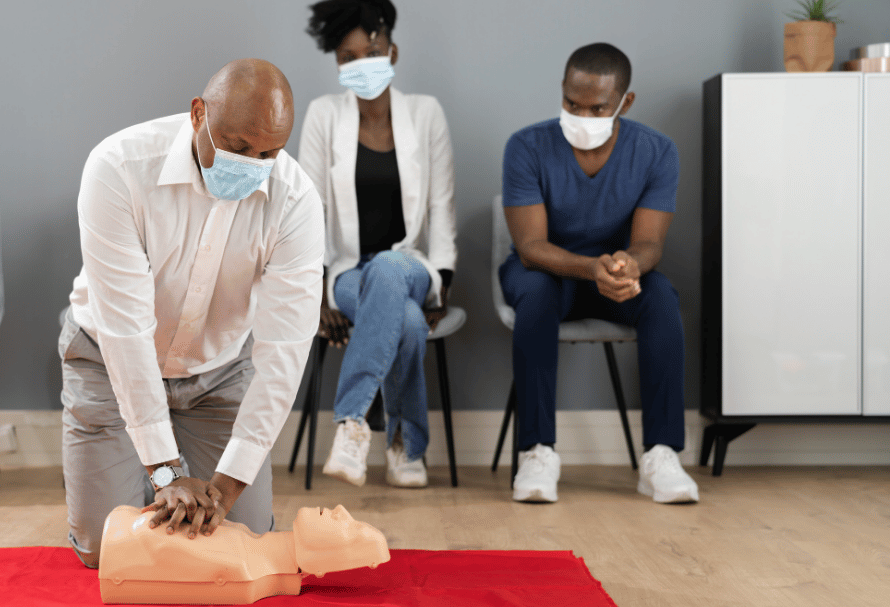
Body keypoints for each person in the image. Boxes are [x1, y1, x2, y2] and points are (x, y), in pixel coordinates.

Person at [60, 59, 324, 568]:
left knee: (244, 539)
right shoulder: (117, 167)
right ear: (198, 114)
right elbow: (125, 330)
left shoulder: (297, 201)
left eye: (269, 153)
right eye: (239, 147)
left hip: (219, 373)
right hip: (107, 361)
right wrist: (164, 471)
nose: (252, 165)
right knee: (102, 551)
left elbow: (285, 352)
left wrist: (227, 485)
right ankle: (129, 466)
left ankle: (161, 470)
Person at [500, 43, 698, 504]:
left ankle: (661, 454)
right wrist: (593, 267)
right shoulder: (526, 146)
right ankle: (537, 450)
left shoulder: (656, 151)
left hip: (612, 275)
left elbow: (650, 243)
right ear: (562, 91)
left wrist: (630, 265)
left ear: (625, 103)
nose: (581, 115)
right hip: (547, 273)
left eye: (597, 108)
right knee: (536, 295)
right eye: (572, 103)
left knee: (662, 299)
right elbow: (530, 248)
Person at [299, 0, 457, 489]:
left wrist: (442, 284)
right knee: (405, 321)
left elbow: (442, 204)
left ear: (392, 51)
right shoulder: (323, 116)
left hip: (411, 267)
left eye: (371, 51)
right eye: (348, 58)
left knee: (391, 266)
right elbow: (306, 212)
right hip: (346, 274)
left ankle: (351, 422)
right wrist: (314, 286)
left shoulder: (425, 113)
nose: (361, 64)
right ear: (337, 64)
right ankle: (405, 446)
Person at [98, 504, 390, 604]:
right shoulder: (248, 549)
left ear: (324, 560)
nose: (342, 511)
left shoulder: (244, 565)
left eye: (352, 527)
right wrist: (167, 475)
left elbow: (159, 544)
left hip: (123, 537)